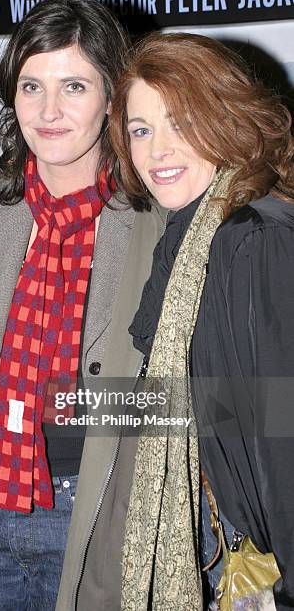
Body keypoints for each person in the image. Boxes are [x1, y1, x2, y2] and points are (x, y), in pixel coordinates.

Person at [0, 2, 170, 610]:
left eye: (74, 86)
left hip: (101, 518)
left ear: (112, 96)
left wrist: (73, 402)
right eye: (31, 86)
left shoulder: (157, 220)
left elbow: (194, 398)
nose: (49, 111)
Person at [107, 32, 294, 610]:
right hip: (217, 547)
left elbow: (280, 433)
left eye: (181, 123)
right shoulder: (188, 235)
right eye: (141, 130)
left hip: (262, 566)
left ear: (227, 118)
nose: (157, 150)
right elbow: (209, 401)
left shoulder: (251, 240)